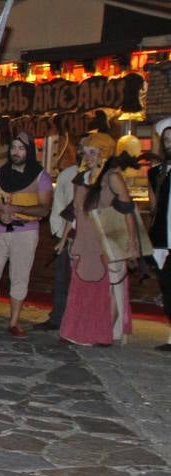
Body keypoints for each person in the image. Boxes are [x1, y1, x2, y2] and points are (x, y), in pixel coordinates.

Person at [61, 132, 139, 347]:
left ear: (104, 152)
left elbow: (127, 211)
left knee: (110, 288)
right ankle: (80, 331)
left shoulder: (112, 177)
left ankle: (104, 333)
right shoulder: (81, 178)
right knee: (83, 287)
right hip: (85, 242)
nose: (89, 157)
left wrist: (131, 244)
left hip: (110, 241)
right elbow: (75, 211)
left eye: (93, 152)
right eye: (86, 153)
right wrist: (66, 239)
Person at [0, 132, 52, 337]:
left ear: (29, 151)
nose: (16, 152)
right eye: (13, 147)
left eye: (21, 148)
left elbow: (44, 209)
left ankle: (14, 322)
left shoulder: (40, 176)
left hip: (25, 232)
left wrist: (16, 209)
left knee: (19, 277)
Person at [39, 141, 83, 333]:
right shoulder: (68, 174)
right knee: (61, 279)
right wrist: (58, 233)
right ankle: (58, 317)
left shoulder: (98, 176)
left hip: (87, 237)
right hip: (65, 234)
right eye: (81, 148)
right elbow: (61, 206)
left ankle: (80, 320)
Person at [148, 116, 171, 351]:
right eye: (166, 139)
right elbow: (153, 206)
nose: (169, 142)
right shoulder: (157, 173)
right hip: (164, 239)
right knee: (167, 286)